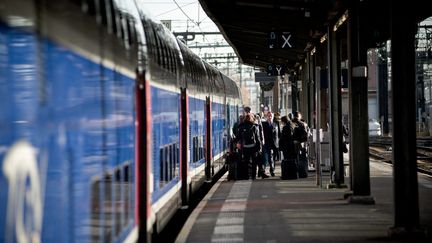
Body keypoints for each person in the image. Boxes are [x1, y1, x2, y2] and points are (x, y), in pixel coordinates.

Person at [234, 113, 263, 179]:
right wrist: (260, 148)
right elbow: (258, 138)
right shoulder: (254, 126)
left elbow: (238, 137)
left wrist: (234, 141)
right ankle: (253, 176)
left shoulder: (241, 126)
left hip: (245, 147)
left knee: (246, 162)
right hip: (253, 147)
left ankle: (246, 176)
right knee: (254, 162)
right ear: (251, 119)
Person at [262, 111, 277, 176]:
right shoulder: (263, 124)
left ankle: (272, 170)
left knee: (273, 158)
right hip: (266, 143)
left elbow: (277, 134)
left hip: (274, 144)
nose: (270, 117)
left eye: (271, 116)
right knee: (266, 158)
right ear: (266, 117)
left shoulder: (275, 124)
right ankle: (263, 171)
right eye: (269, 116)